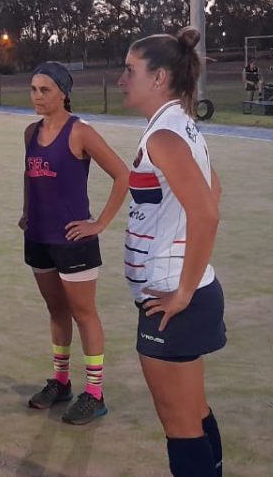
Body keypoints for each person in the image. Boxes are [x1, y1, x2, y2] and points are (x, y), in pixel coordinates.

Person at [117, 28, 225, 477]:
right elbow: (214, 190)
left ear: (158, 77)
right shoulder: (179, 125)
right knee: (194, 412)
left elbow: (207, 213)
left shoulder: (165, 136)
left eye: (129, 70)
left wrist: (180, 292)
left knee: (180, 426)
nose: (122, 79)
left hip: (173, 301)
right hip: (185, 292)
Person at [20, 62, 130, 425]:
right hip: (38, 237)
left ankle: (95, 393)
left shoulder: (80, 132)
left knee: (84, 313)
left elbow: (122, 175)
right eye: (34, 89)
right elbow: (29, 175)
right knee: (56, 311)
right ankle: (62, 382)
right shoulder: (30, 132)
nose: (37, 96)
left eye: (45, 90)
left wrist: (99, 223)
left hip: (72, 240)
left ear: (63, 92)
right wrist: (26, 211)